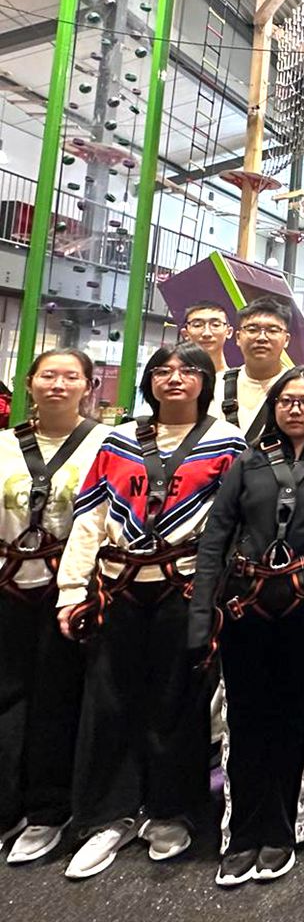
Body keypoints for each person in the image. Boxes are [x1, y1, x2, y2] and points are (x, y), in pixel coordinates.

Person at [56, 343, 246, 880]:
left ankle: (171, 810)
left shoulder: (227, 443)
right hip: (117, 590)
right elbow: (90, 518)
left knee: (178, 703)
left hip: (184, 590)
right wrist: (72, 589)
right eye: (163, 370)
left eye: (188, 370)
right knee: (109, 702)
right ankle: (107, 816)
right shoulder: (117, 441)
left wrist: (218, 597)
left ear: (206, 381)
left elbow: (231, 527)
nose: (175, 379)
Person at [189, 367, 304, 886]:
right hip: (246, 608)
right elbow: (216, 537)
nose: (295, 409)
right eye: (286, 400)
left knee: (296, 721)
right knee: (245, 719)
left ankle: (281, 828)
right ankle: (241, 832)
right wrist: (201, 614)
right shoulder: (248, 463)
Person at [0, 350, 108, 864]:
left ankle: (49, 808)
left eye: (70, 377)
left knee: (58, 698)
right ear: (30, 383)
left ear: (88, 385)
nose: (58, 385)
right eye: (48, 376)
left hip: (70, 589)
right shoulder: (4, 445)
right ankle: (6, 805)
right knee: (5, 697)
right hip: (8, 585)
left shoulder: (107, 444)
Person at [216, 298, 291, 441]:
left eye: (272, 330)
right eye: (252, 330)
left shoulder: (300, 388)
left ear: (286, 340)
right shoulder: (216, 385)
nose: (262, 338)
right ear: (238, 337)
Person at [182, 301, 234, 374]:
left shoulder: (240, 379)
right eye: (197, 325)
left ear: (229, 332)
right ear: (185, 334)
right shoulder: (176, 379)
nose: (207, 333)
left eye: (215, 325)